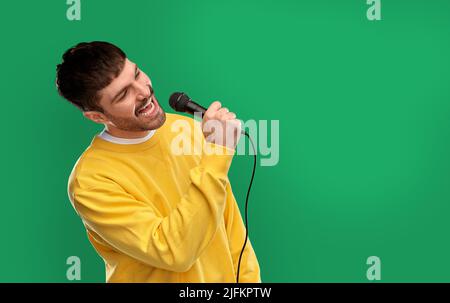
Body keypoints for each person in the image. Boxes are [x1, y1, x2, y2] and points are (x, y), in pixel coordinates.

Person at [56, 41, 261, 282]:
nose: (143, 92)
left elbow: (231, 229)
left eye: (137, 74)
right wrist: (217, 153)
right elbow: (174, 252)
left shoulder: (187, 129)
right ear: (97, 116)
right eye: (123, 94)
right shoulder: (90, 181)